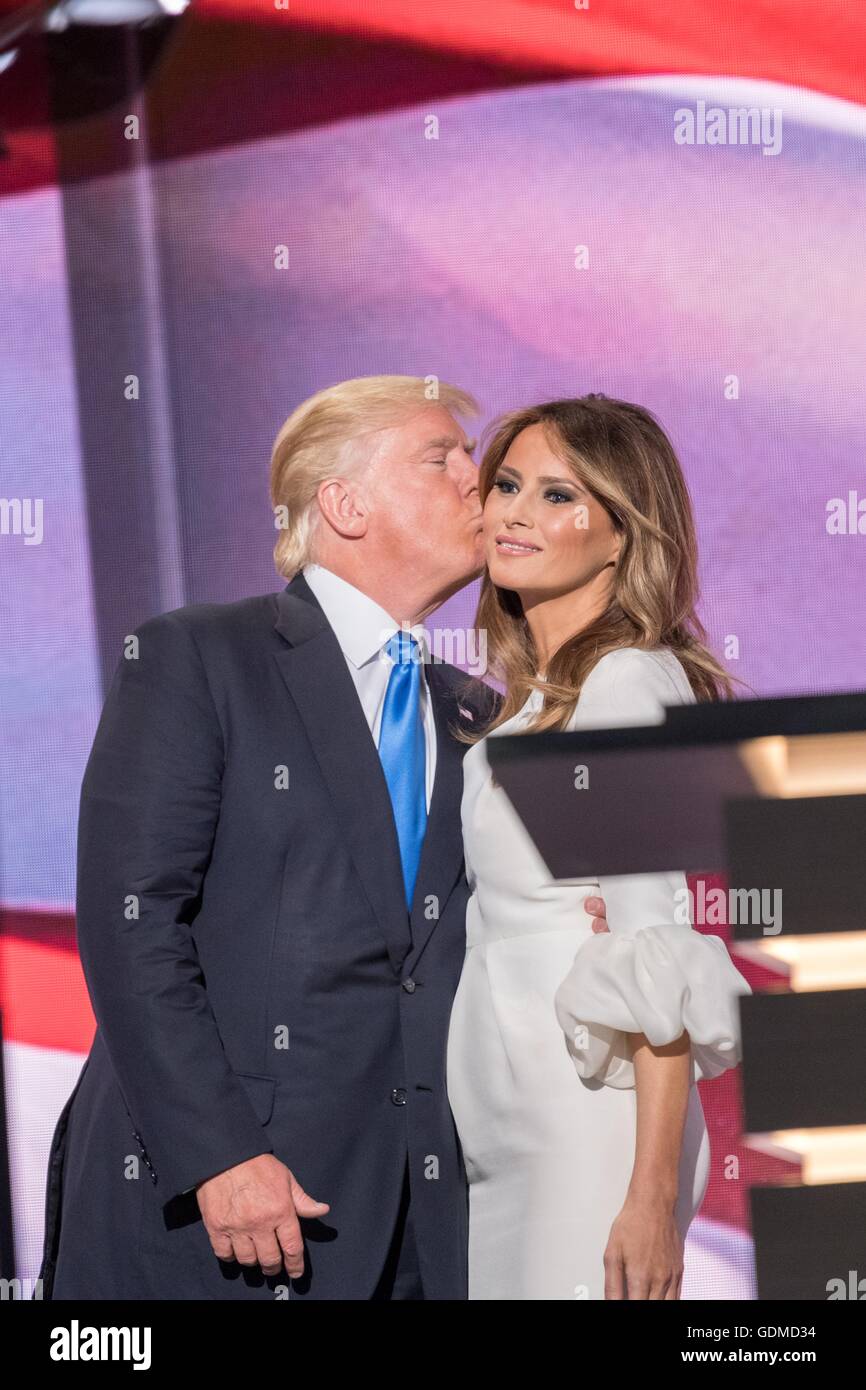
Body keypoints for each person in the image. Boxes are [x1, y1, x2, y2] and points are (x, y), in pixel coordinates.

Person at [37, 374, 610, 1301]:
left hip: (416, 1230)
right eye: (444, 459)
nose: (481, 482)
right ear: (343, 503)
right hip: (226, 1214)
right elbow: (133, 926)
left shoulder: (474, 716)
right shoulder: (201, 658)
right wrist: (219, 1155)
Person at [445, 394, 753, 1300]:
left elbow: (659, 949)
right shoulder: (532, 702)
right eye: (507, 485)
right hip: (508, 1126)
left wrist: (649, 1198)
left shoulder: (628, 679)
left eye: (557, 497)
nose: (514, 513)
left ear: (622, 536)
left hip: (592, 1130)